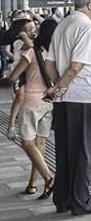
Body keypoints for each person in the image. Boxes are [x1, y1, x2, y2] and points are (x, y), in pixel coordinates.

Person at [45, 0, 91, 216]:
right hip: (87, 98)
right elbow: (76, 66)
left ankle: (62, 198)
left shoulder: (62, 24)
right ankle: (81, 201)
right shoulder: (85, 26)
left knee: (66, 151)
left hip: (67, 101)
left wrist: (58, 89)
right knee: (85, 150)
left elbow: (50, 63)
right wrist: (59, 88)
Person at [5, 18, 55, 199]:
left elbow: (13, 78)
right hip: (48, 102)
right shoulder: (52, 51)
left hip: (31, 102)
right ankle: (33, 184)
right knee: (39, 144)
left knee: (27, 143)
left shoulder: (31, 52)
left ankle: (49, 177)